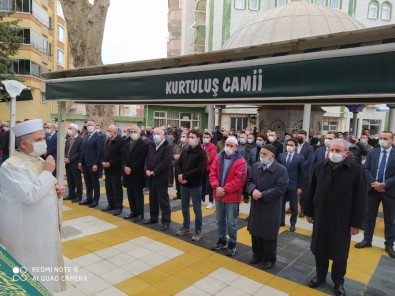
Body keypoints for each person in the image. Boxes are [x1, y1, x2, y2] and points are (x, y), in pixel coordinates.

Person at [0, 119, 66, 293]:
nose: (43, 143)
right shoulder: (11, 166)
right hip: (25, 233)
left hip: (40, 231)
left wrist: (55, 190)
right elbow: (29, 195)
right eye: (38, 140)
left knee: (42, 273)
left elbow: (40, 187)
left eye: (43, 138)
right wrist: (47, 172)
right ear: (22, 144)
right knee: (26, 275)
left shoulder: (37, 160)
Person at [304, 139, 367, 296]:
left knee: (339, 253)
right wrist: (309, 212)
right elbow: (311, 190)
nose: (334, 153)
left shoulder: (356, 171)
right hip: (321, 216)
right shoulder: (320, 167)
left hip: (342, 220)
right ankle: (320, 276)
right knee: (320, 249)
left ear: (346, 153)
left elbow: (360, 199)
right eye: (331, 150)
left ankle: (338, 282)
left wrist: (356, 224)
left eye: (338, 151)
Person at [246, 144, 289, 269]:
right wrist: (253, 190)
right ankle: (257, 255)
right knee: (255, 232)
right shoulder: (255, 166)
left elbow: (280, 188)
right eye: (261, 153)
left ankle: (269, 259)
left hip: (271, 207)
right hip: (256, 205)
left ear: (272, 156)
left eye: (265, 154)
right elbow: (249, 181)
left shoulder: (281, 170)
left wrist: (262, 194)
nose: (262, 156)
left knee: (269, 234)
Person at [354, 131, 395, 259]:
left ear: (392, 140)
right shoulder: (373, 152)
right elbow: (365, 169)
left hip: (389, 191)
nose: (382, 140)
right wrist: (375, 183)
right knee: (369, 217)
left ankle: (389, 244)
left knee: (390, 220)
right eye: (381, 138)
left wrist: (384, 184)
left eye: (386, 138)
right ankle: (367, 240)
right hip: (372, 190)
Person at [209, 136, 247, 256]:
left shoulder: (241, 161)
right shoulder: (218, 157)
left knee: (231, 222)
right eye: (227, 145)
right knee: (220, 220)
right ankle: (222, 240)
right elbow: (212, 173)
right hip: (218, 194)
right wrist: (216, 187)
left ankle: (232, 243)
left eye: (232, 146)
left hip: (231, 196)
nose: (229, 148)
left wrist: (224, 189)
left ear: (236, 147)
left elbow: (239, 180)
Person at [175, 130, 207, 241]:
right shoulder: (185, 151)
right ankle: (186, 227)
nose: (190, 139)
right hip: (183, 185)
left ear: (198, 139)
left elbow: (199, 170)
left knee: (197, 209)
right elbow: (178, 163)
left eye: (192, 137)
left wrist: (184, 176)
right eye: (189, 137)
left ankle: (198, 231)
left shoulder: (202, 154)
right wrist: (180, 175)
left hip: (195, 185)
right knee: (184, 207)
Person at [143, 127, 173, 231]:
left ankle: (166, 221)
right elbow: (147, 159)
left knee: (163, 200)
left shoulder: (167, 147)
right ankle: (153, 217)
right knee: (153, 199)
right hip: (150, 177)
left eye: (158, 133)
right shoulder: (151, 146)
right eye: (154, 133)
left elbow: (166, 163)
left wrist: (154, 171)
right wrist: (146, 169)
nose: (156, 135)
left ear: (163, 135)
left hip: (161, 177)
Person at [122, 126, 149, 222]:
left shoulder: (144, 145)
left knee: (138, 195)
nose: (133, 133)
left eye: (135, 131)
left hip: (137, 173)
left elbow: (142, 160)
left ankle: (140, 214)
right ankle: (133, 211)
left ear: (139, 133)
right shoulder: (127, 143)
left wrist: (131, 168)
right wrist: (125, 167)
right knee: (130, 194)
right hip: (127, 173)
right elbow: (123, 157)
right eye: (132, 131)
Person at [278, 138, 304, 232]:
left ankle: (293, 224)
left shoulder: (300, 158)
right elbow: (278, 170)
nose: (289, 146)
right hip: (282, 185)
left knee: (293, 206)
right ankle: (281, 221)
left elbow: (302, 173)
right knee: (281, 204)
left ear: (296, 147)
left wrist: (300, 187)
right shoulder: (281, 156)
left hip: (293, 186)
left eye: (291, 145)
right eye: (288, 144)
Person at [78, 120, 105, 208]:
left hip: (93, 163)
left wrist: (96, 164)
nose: (89, 126)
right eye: (88, 125)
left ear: (94, 126)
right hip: (85, 163)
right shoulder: (86, 136)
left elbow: (99, 151)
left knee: (95, 183)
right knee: (87, 182)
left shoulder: (99, 136)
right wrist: (80, 162)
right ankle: (88, 198)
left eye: (91, 125)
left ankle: (95, 200)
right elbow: (82, 150)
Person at [101, 125, 125, 216]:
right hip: (107, 168)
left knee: (116, 188)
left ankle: (118, 206)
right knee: (108, 188)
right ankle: (111, 204)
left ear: (114, 132)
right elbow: (104, 153)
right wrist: (103, 161)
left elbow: (120, 156)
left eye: (108, 130)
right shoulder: (108, 140)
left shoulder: (120, 141)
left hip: (115, 169)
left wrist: (110, 163)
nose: (107, 132)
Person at [64, 123, 83, 203]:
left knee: (77, 180)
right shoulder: (68, 139)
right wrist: (65, 158)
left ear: (75, 130)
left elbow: (80, 152)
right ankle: (71, 194)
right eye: (69, 128)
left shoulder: (80, 139)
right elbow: (65, 150)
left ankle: (78, 195)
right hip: (67, 163)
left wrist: (70, 159)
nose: (69, 130)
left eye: (70, 128)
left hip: (75, 163)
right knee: (70, 180)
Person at [201, 131, 217, 208]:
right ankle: (202, 199)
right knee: (202, 184)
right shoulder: (201, 146)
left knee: (210, 185)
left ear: (210, 138)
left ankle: (211, 201)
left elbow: (212, 157)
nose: (205, 139)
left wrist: (204, 163)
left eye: (207, 137)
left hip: (209, 169)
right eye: (204, 137)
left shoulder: (212, 146)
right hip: (202, 169)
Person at [172, 132, 189, 200]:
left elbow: (186, 156)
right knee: (177, 181)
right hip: (176, 166)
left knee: (183, 181)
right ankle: (178, 194)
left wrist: (179, 157)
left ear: (187, 138)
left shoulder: (188, 146)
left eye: (184, 136)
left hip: (184, 166)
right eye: (182, 136)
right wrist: (174, 157)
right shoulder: (177, 145)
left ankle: (184, 196)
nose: (182, 138)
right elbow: (173, 153)